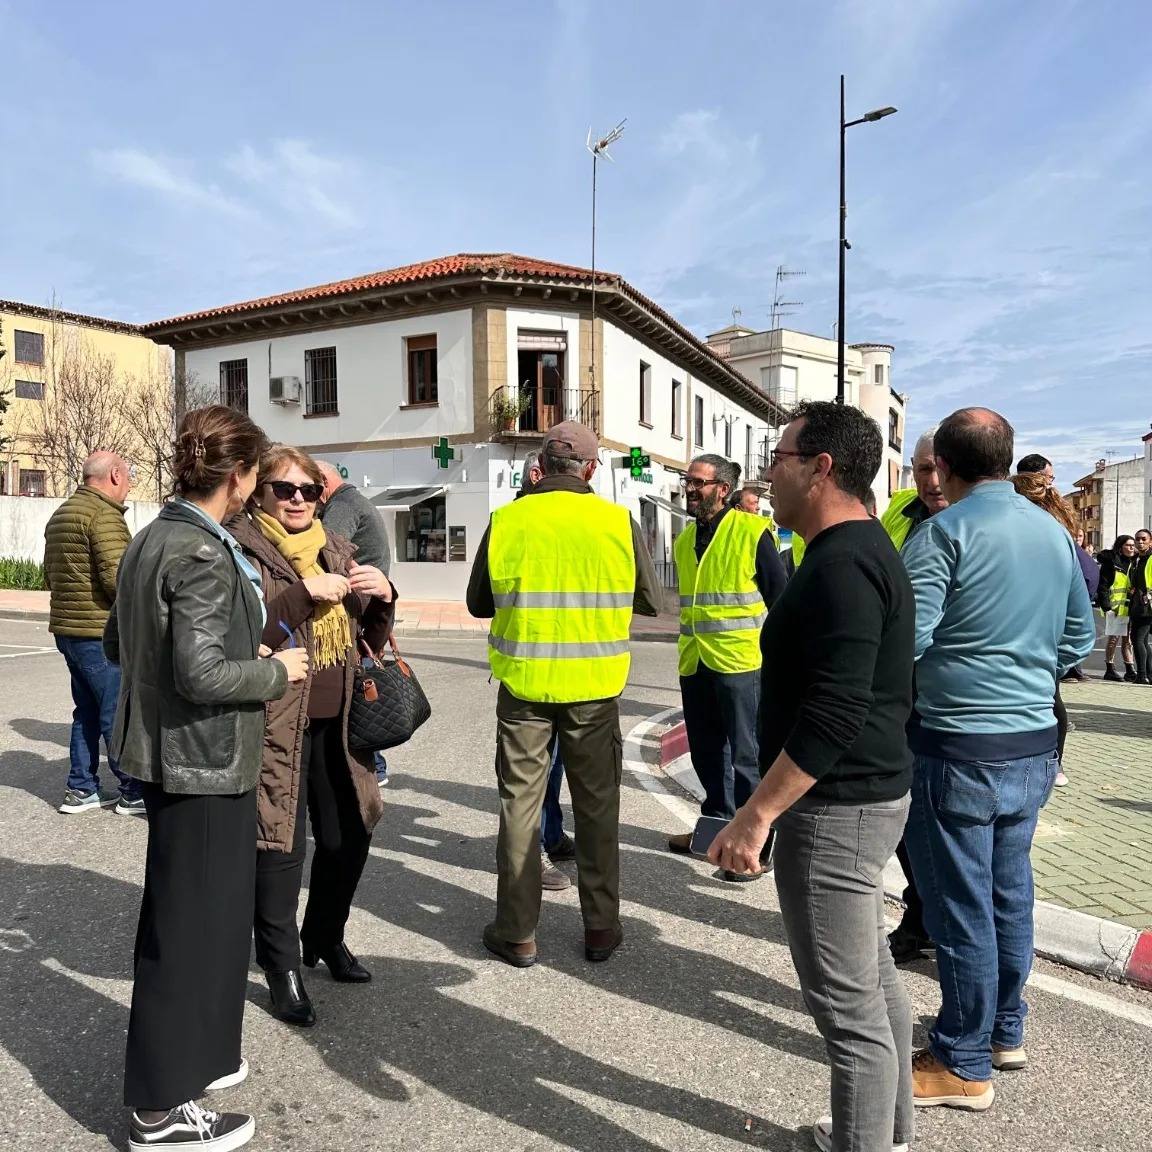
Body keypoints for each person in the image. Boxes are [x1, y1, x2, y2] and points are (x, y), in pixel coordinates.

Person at [707, 400, 916, 1152]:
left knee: (848, 1012)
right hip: (866, 797)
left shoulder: (844, 565)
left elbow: (834, 712)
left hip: (836, 811)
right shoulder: (854, 550)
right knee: (874, 983)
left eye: (780, 455)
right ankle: (886, 1137)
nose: (768, 470)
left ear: (821, 466)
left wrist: (755, 815)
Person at [108, 406, 307, 1152]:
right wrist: (273, 671)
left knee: (205, 925)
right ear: (242, 474)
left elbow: (120, 640)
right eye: (261, 475)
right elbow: (200, 670)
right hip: (203, 762)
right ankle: (159, 1110)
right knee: (188, 934)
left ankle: (203, 1055)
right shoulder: (197, 550)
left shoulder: (153, 537)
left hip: (183, 757)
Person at [901, 408, 1094, 1112]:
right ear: (1006, 460)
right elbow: (1080, 635)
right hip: (1033, 743)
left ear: (944, 467)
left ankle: (961, 1058)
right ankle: (1005, 1031)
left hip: (958, 745)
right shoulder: (1051, 532)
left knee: (960, 907)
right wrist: (1024, 673)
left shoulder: (943, 534)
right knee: (1010, 891)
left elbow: (906, 645)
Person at [466, 421, 660, 967]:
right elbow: (649, 598)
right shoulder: (616, 522)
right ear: (591, 469)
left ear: (542, 465)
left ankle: (517, 932)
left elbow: (480, 602)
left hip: (525, 689)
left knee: (520, 809)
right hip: (595, 692)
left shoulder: (507, 520)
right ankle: (601, 927)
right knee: (597, 810)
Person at [230, 446, 395, 1027]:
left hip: (339, 722)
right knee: (280, 846)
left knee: (350, 832)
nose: (298, 499)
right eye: (284, 488)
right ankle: (281, 968)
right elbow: (246, 635)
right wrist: (303, 594)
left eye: (308, 490)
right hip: (275, 722)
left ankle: (324, 936)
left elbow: (364, 641)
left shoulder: (335, 547)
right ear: (260, 492)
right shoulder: (243, 549)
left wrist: (382, 599)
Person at [668, 455, 786, 882]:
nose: (691, 489)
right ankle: (714, 829)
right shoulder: (684, 541)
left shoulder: (752, 531)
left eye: (699, 482)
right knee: (705, 752)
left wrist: (780, 662)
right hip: (696, 660)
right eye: (688, 481)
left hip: (740, 662)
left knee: (747, 757)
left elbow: (781, 599)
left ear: (724, 489)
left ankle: (757, 848)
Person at [879, 428, 950, 966]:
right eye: (921, 468)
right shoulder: (900, 512)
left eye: (939, 468)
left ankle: (943, 930)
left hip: (954, 700)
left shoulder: (984, 522)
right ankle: (921, 912)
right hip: (901, 692)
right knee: (908, 819)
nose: (929, 481)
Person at [43, 451, 142, 815]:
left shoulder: (62, 514)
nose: (129, 486)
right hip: (99, 632)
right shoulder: (104, 516)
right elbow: (122, 581)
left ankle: (81, 788)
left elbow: (49, 575)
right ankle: (132, 791)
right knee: (116, 713)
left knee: (86, 709)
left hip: (68, 629)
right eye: (129, 477)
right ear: (115, 475)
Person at [316, 460, 395, 789]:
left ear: (322, 482)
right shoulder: (354, 500)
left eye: (308, 488)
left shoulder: (342, 507)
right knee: (362, 692)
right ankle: (374, 764)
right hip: (368, 610)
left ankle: (371, 766)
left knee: (357, 695)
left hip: (357, 615)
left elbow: (326, 553)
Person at [518, 449, 576, 893]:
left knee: (548, 770)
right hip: (548, 672)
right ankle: (538, 848)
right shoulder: (519, 520)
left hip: (556, 670)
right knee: (540, 774)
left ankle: (551, 836)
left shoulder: (513, 519)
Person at [1011, 473, 1088, 786]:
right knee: (1050, 700)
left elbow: (1088, 586)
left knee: (1049, 702)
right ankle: (1051, 764)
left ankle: (1052, 763)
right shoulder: (1057, 536)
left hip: (1032, 644)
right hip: (1042, 645)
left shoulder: (1040, 536)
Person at [1098, 535, 1138, 681]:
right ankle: (1110, 669)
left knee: (1128, 640)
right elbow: (1102, 587)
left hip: (1129, 607)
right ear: (1120, 547)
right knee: (1114, 639)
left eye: (1133, 545)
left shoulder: (1134, 562)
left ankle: (1130, 669)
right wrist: (1107, 607)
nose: (1132, 548)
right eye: (1128, 545)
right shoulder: (1111, 563)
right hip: (1115, 608)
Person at [1062, 529, 1100, 683]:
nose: (1077, 538)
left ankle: (1074, 670)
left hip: (1081, 600)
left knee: (1075, 635)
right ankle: (1070, 671)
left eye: (1080, 536)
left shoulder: (1080, 553)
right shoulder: (1072, 552)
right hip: (1074, 599)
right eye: (1075, 535)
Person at [1129, 529, 1151, 684]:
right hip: (1137, 605)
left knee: (1138, 638)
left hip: (1148, 606)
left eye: (1144, 539)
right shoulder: (1137, 559)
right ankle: (1148, 673)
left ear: (1150, 541)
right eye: (1138, 539)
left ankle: (1142, 675)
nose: (1140, 542)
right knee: (1141, 640)